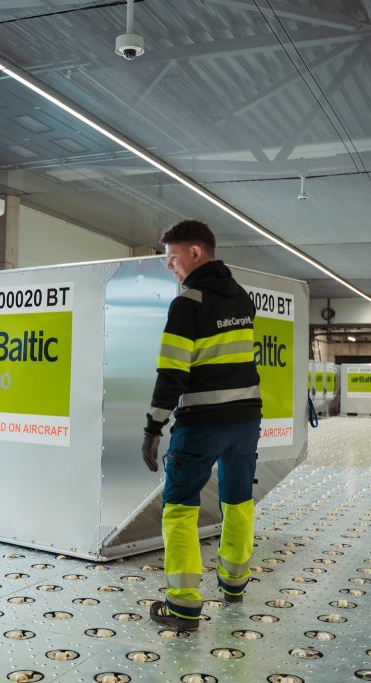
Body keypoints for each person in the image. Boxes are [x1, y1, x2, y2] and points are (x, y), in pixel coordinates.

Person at [142, 220, 262, 631]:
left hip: (202, 422)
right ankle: (234, 583)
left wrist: (153, 427)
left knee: (179, 507)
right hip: (245, 421)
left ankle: (183, 606)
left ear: (195, 253)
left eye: (172, 257)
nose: (169, 266)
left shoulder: (188, 302)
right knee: (238, 501)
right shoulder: (242, 298)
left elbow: (172, 372)